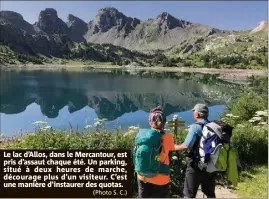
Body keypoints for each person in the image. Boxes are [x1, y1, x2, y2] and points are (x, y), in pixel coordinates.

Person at [136, 106, 181, 198]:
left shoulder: (141, 135)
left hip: (142, 175)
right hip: (160, 177)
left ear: (150, 121)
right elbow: (171, 149)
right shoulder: (168, 137)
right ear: (164, 122)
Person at [174, 103, 216, 198]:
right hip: (211, 164)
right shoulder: (213, 126)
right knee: (210, 194)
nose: (193, 114)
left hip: (195, 166)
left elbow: (186, 145)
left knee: (189, 194)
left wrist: (173, 147)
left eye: (194, 112)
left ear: (197, 114)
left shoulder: (196, 127)